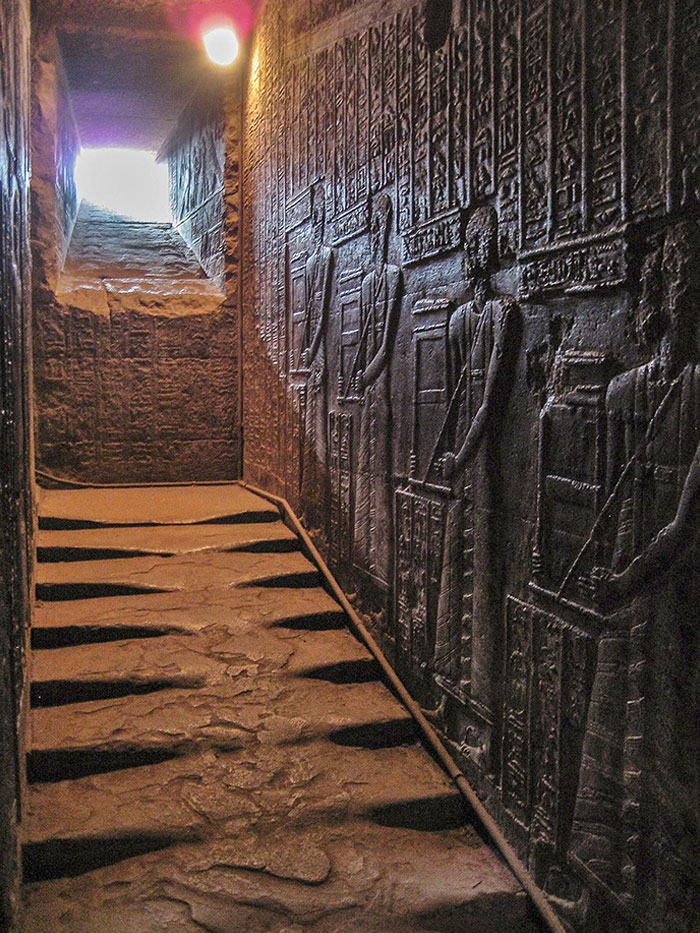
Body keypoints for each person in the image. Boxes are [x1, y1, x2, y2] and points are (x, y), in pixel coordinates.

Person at [569, 222, 700, 931]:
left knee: (662, 746)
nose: (666, 302)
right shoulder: (631, 391)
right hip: (628, 583)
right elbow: (618, 498)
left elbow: (683, 530)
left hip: (670, 594)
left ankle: (656, 904)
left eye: (678, 289)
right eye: (660, 286)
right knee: (611, 729)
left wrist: (622, 581)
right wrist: (610, 574)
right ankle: (599, 892)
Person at [433, 206, 520, 728]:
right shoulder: (460, 318)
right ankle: (446, 691)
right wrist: (449, 452)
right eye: (470, 240)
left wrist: (461, 455)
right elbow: (451, 396)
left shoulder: (505, 315)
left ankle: (485, 711)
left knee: (482, 571)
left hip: (481, 459)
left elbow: (489, 401)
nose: (476, 249)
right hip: (459, 456)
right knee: (452, 566)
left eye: (484, 239)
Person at [353, 194, 401, 583]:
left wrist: (367, 374)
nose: (375, 233)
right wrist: (358, 373)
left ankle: (381, 566)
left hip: (379, 386)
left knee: (379, 469)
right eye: (372, 225)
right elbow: (366, 336)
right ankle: (362, 557)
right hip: (367, 383)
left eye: (380, 225)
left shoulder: (392, 277)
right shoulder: (370, 281)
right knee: (362, 467)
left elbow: (385, 343)